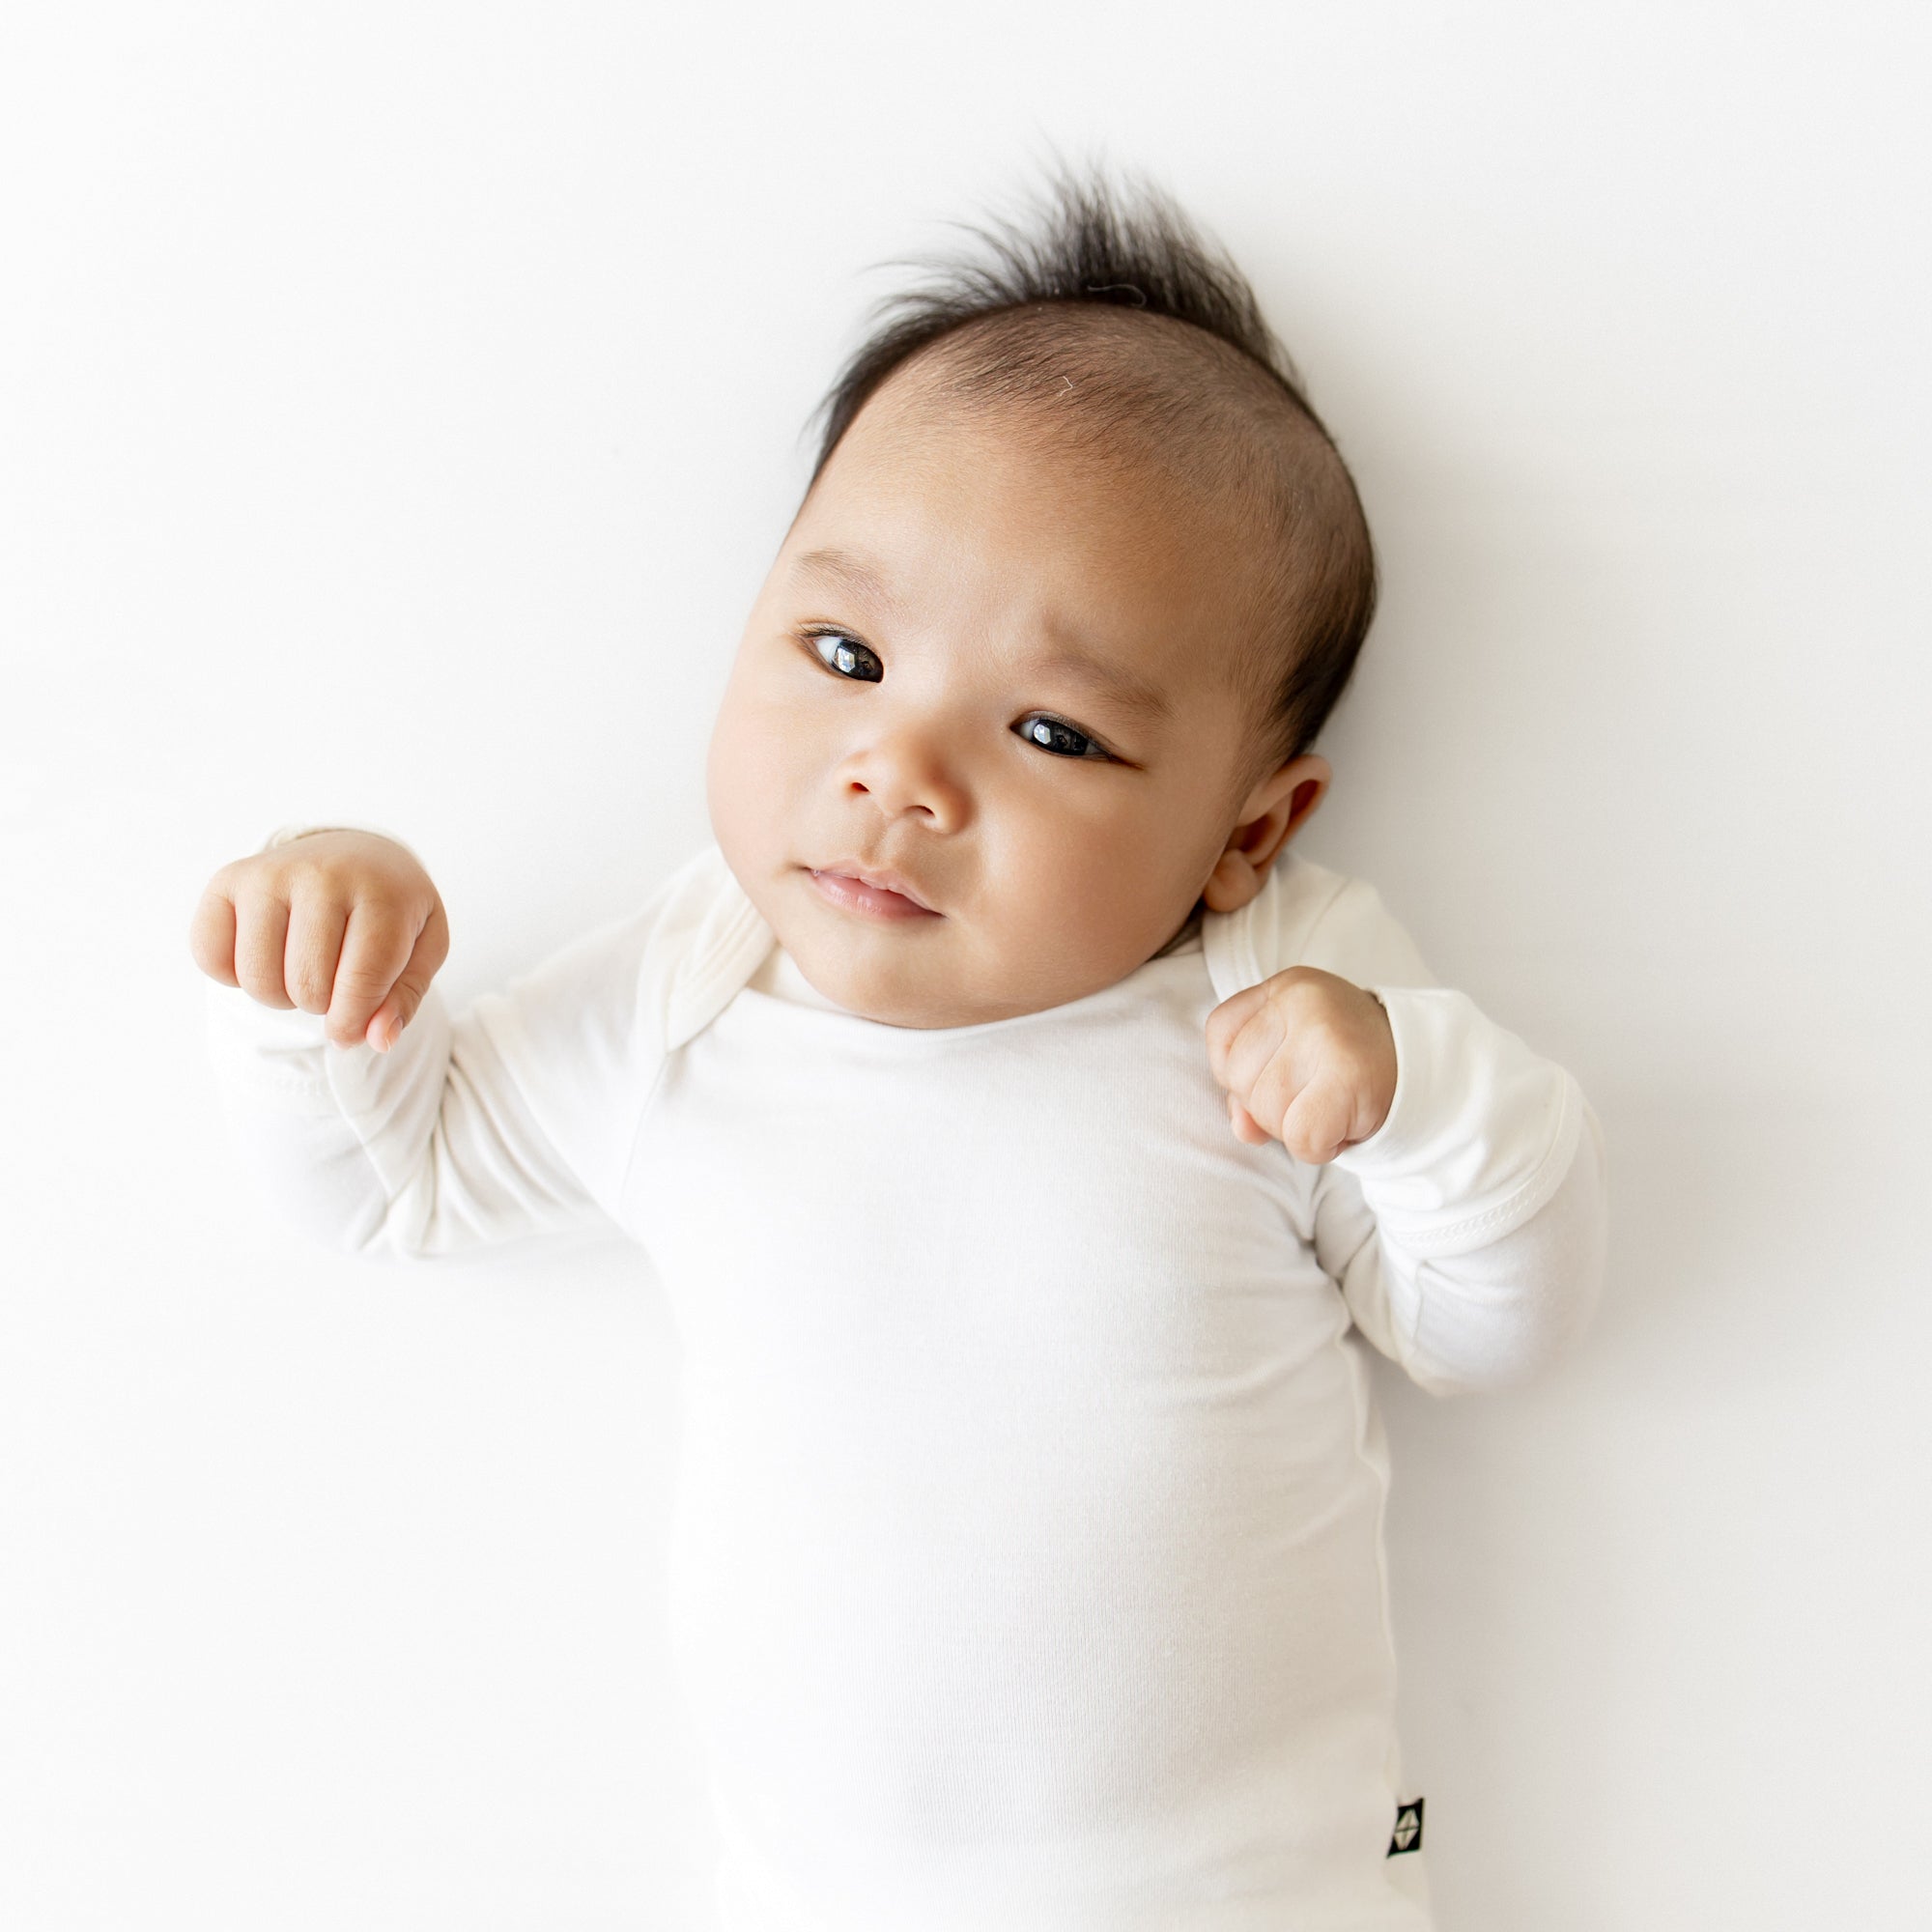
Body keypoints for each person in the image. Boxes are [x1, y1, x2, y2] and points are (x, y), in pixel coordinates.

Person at [190, 162, 1608, 1930]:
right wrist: (320, 980)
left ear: (1251, 828)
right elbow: (388, 1188)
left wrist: (1417, 1092)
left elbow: (1492, 1326)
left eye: (1050, 729)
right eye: (846, 650)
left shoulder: (1273, 983)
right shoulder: (694, 989)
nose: (900, 773)